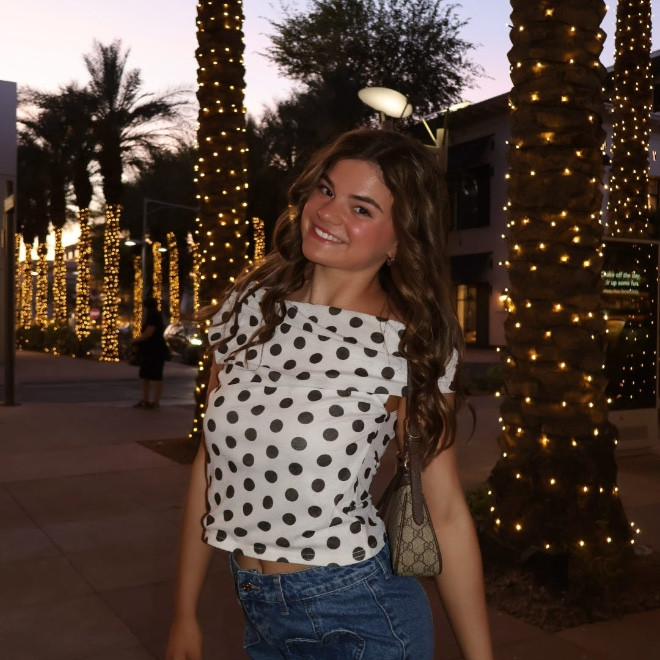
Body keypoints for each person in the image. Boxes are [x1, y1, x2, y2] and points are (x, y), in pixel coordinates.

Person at [166, 129, 493, 659]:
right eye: (325, 189)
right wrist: (184, 612)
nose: (327, 212)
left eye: (361, 208)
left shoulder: (407, 343)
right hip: (260, 611)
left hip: (362, 612)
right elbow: (210, 464)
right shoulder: (250, 308)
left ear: (399, 240)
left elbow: (446, 509)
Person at [132, 296, 168, 409]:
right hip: (156, 348)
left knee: (149, 375)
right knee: (154, 375)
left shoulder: (152, 316)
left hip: (153, 349)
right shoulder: (158, 315)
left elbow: (148, 333)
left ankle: (148, 400)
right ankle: (153, 401)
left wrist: (135, 340)